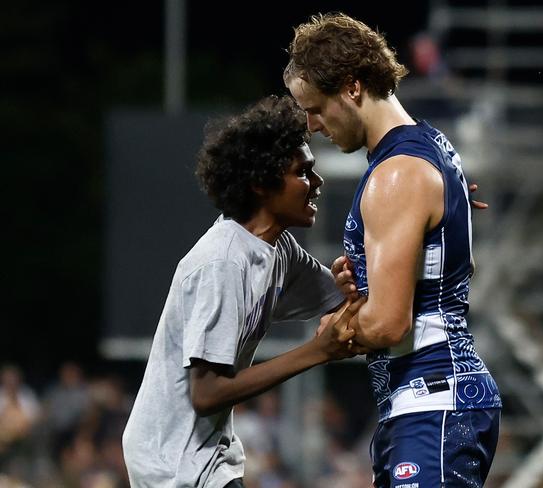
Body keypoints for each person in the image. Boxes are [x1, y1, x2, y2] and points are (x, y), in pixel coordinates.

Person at [285, 13, 501, 487]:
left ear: (352, 87)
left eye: (316, 107)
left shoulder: (396, 174)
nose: (312, 125)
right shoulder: (433, 148)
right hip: (431, 401)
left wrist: (336, 326)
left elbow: (387, 323)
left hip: (431, 400)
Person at [122, 95, 367, 488]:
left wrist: (436, 210)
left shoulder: (278, 249)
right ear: (260, 184)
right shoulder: (223, 263)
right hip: (171, 465)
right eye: (303, 172)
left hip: (210, 456)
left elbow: (348, 300)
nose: (317, 184)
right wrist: (315, 353)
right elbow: (207, 392)